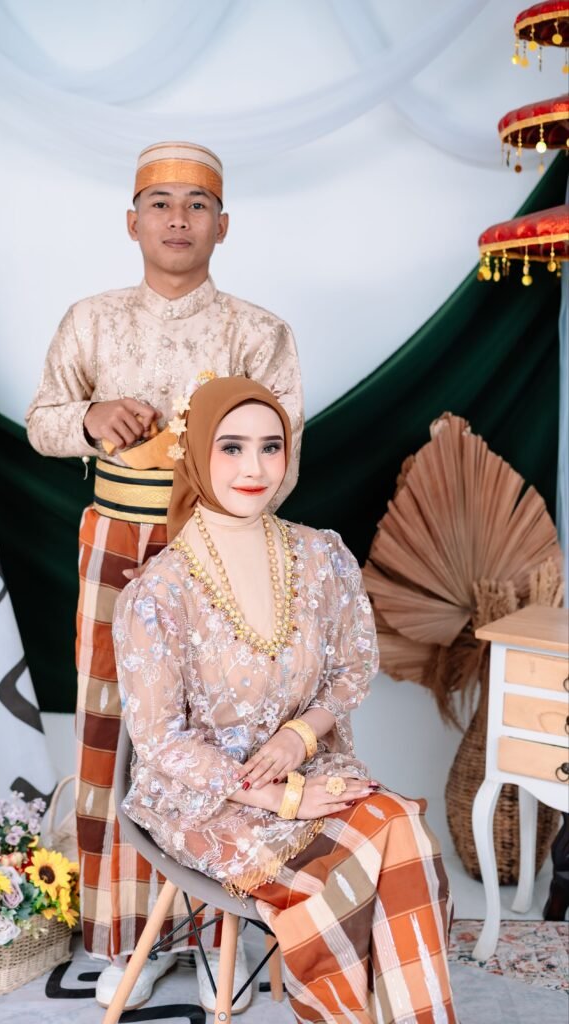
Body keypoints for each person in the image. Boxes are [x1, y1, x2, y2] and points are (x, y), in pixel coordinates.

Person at [25, 142, 303, 1010]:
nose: (178, 219)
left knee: (221, 732)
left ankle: (221, 934)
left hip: (216, 545)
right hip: (114, 540)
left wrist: (216, 487)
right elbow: (41, 423)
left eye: (196, 204)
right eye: (160, 203)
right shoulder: (91, 321)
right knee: (114, 730)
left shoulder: (258, 332)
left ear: (224, 225)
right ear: (132, 221)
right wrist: (91, 416)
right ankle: (124, 937)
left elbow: (284, 461)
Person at [114, 376, 457, 1023]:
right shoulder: (159, 593)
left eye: (270, 447)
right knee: (337, 883)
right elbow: (160, 741)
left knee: (403, 832)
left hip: (309, 768)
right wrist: (277, 797)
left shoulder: (320, 555)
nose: (255, 468)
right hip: (207, 799)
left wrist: (299, 737)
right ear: (196, 453)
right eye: (232, 447)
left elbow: (353, 666)